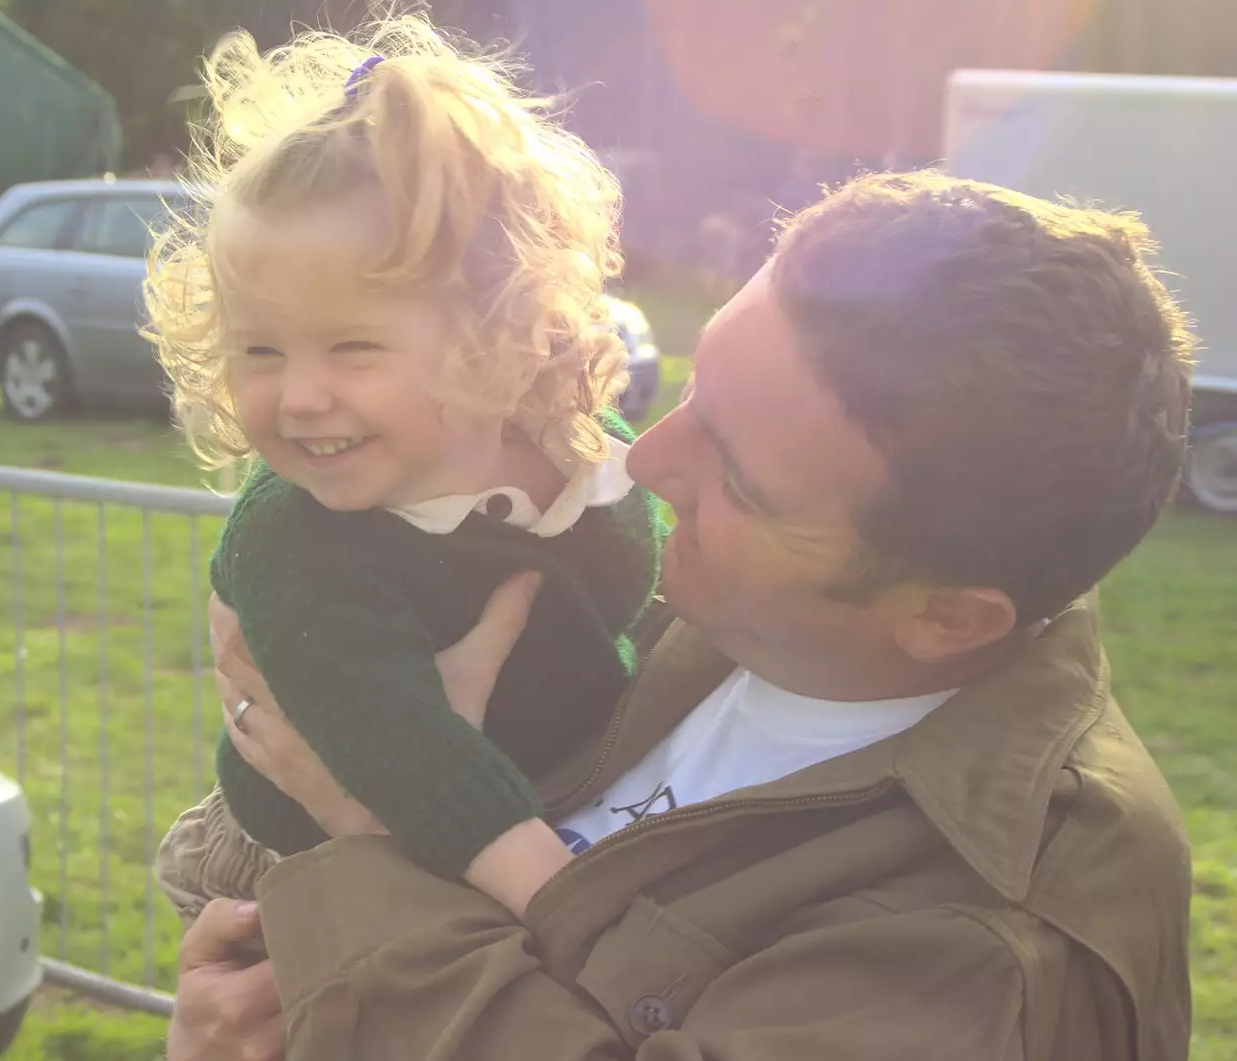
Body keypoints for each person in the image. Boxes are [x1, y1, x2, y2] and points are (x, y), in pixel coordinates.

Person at [167, 170, 1196, 1061]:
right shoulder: (725, 612)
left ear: (943, 617)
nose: (649, 459)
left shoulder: (991, 938)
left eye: (741, 483)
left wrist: (376, 836)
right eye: (697, 387)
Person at [144, 13, 664, 927]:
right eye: (259, 350)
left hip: (526, 812)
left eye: (352, 346)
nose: (300, 395)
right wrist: (582, 911)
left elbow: (642, 599)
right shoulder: (300, 540)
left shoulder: (585, 454)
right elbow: (410, 757)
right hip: (300, 869)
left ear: (498, 333)